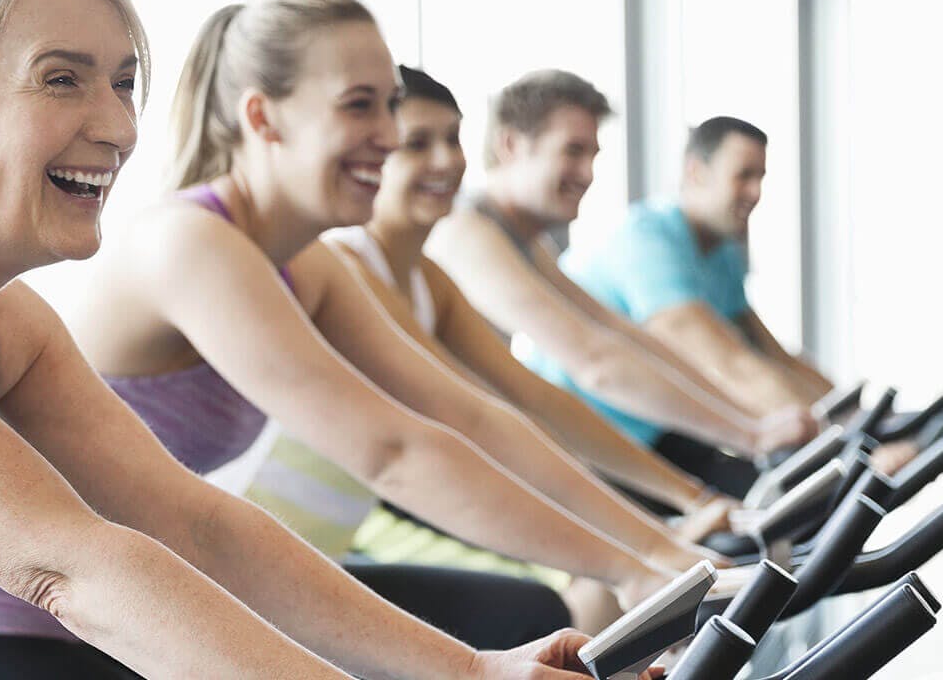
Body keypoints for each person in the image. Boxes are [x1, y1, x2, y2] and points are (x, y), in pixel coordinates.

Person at [0, 0, 622, 678]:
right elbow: (72, 565)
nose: (120, 126)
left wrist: (470, 669)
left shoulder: (3, 326)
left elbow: (197, 527)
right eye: (62, 80)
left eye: (124, 82)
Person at [237, 65, 736, 634]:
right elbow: (469, 420)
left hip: (325, 544)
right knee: (555, 608)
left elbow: (530, 398)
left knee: (585, 600)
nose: (446, 160)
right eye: (416, 144)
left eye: (452, 139)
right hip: (292, 548)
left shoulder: (428, 280)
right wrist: (648, 542)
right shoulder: (349, 262)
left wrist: (680, 509)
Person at [428, 70, 817, 498]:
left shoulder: (524, 239)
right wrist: (751, 433)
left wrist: (751, 425)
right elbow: (594, 361)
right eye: (573, 151)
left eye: (593, 155)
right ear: (510, 145)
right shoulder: (464, 230)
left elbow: (620, 333)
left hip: (517, 450)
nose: (588, 173)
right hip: (452, 472)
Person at [543, 115, 916, 474]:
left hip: (650, 429)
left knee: (798, 495)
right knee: (786, 502)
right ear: (696, 173)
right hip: (581, 439)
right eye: (743, 176)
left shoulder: (720, 252)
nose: (755, 193)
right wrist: (856, 441)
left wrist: (869, 420)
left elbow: (771, 355)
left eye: (761, 178)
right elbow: (726, 364)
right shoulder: (647, 239)